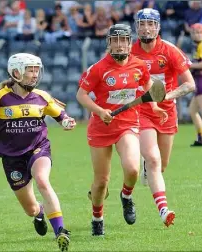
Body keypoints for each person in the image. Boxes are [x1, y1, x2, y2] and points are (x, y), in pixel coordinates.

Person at [0, 53, 76, 252]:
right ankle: (39, 213)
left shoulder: (42, 96)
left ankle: (60, 231)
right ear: (16, 72)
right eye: (30, 70)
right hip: (12, 158)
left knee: (42, 180)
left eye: (37, 70)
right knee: (30, 209)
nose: (35, 75)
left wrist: (67, 122)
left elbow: (61, 115)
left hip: (39, 148)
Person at [76, 24, 159, 236]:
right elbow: (81, 96)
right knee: (101, 181)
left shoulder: (139, 65)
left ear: (130, 43)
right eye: (115, 40)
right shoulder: (98, 69)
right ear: (109, 43)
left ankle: (126, 195)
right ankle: (97, 217)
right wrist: (99, 110)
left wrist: (155, 106)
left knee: (132, 169)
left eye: (123, 40)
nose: (120, 44)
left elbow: (149, 86)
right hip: (101, 127)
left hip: (128, 124)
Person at [131, 8, 195, 226]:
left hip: (166, 111)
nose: (146, 28)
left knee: (162, 164)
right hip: (142, 111)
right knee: (154, 157)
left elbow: (189, 84)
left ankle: (148, 167)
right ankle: (163, 209)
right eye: (142, 24)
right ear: (136, 27)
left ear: (157, 27)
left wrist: (167, 95)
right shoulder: (130, 51)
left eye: (150, 24)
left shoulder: (169, 51)